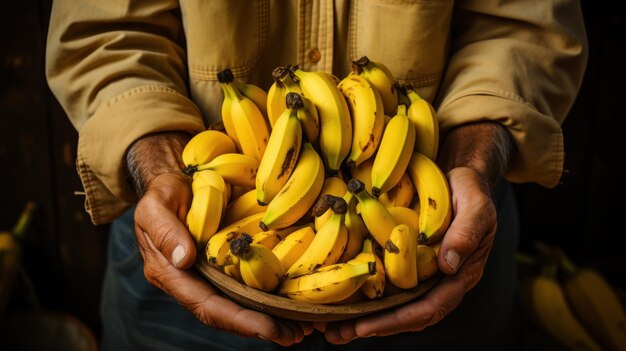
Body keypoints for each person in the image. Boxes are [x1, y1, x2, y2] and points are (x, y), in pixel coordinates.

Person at [45, 1, 588, 350]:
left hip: (444, 225)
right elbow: (105, 28)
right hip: (186, 233)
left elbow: (524, 23)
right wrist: (161, 165)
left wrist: (471, 160)